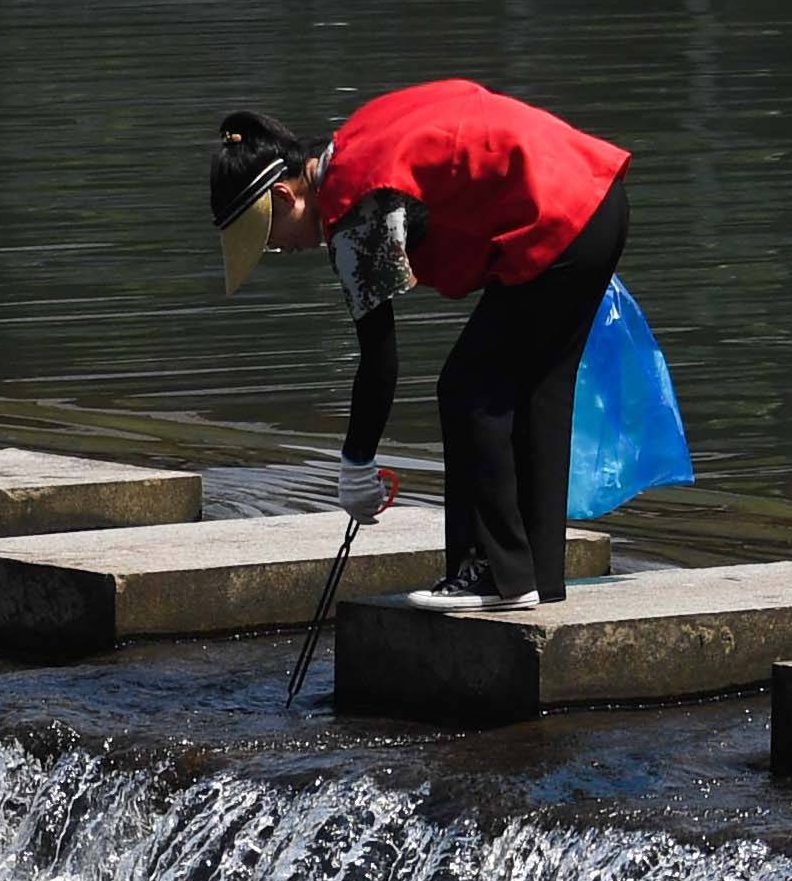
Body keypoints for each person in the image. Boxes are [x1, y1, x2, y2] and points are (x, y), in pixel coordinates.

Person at [209, 83, 632, 608]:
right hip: (595, 201)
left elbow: (380, 358)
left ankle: (498, 577)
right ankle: (534, 578)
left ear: (284, 196)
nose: (281, 249)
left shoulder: (352, 204)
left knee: (467, 389)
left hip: (558, 217)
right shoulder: (357, 142)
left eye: (271, 236)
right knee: (532, 395)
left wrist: (356, 464)